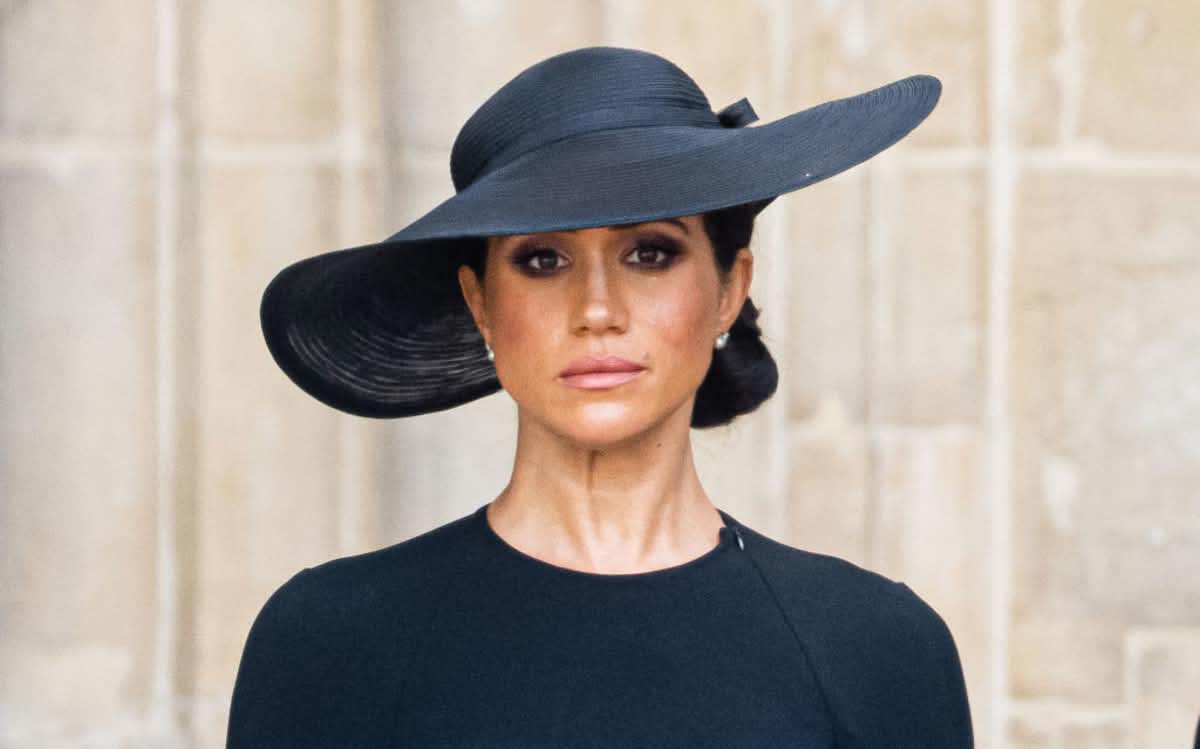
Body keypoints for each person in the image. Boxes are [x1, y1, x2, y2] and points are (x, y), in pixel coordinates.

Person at [227, 46, 973, 747]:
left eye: (650, 252)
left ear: (727, 290)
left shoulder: (877, 648)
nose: (597, 307)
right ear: (481, 304)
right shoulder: (331, 640)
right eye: (542, 258)